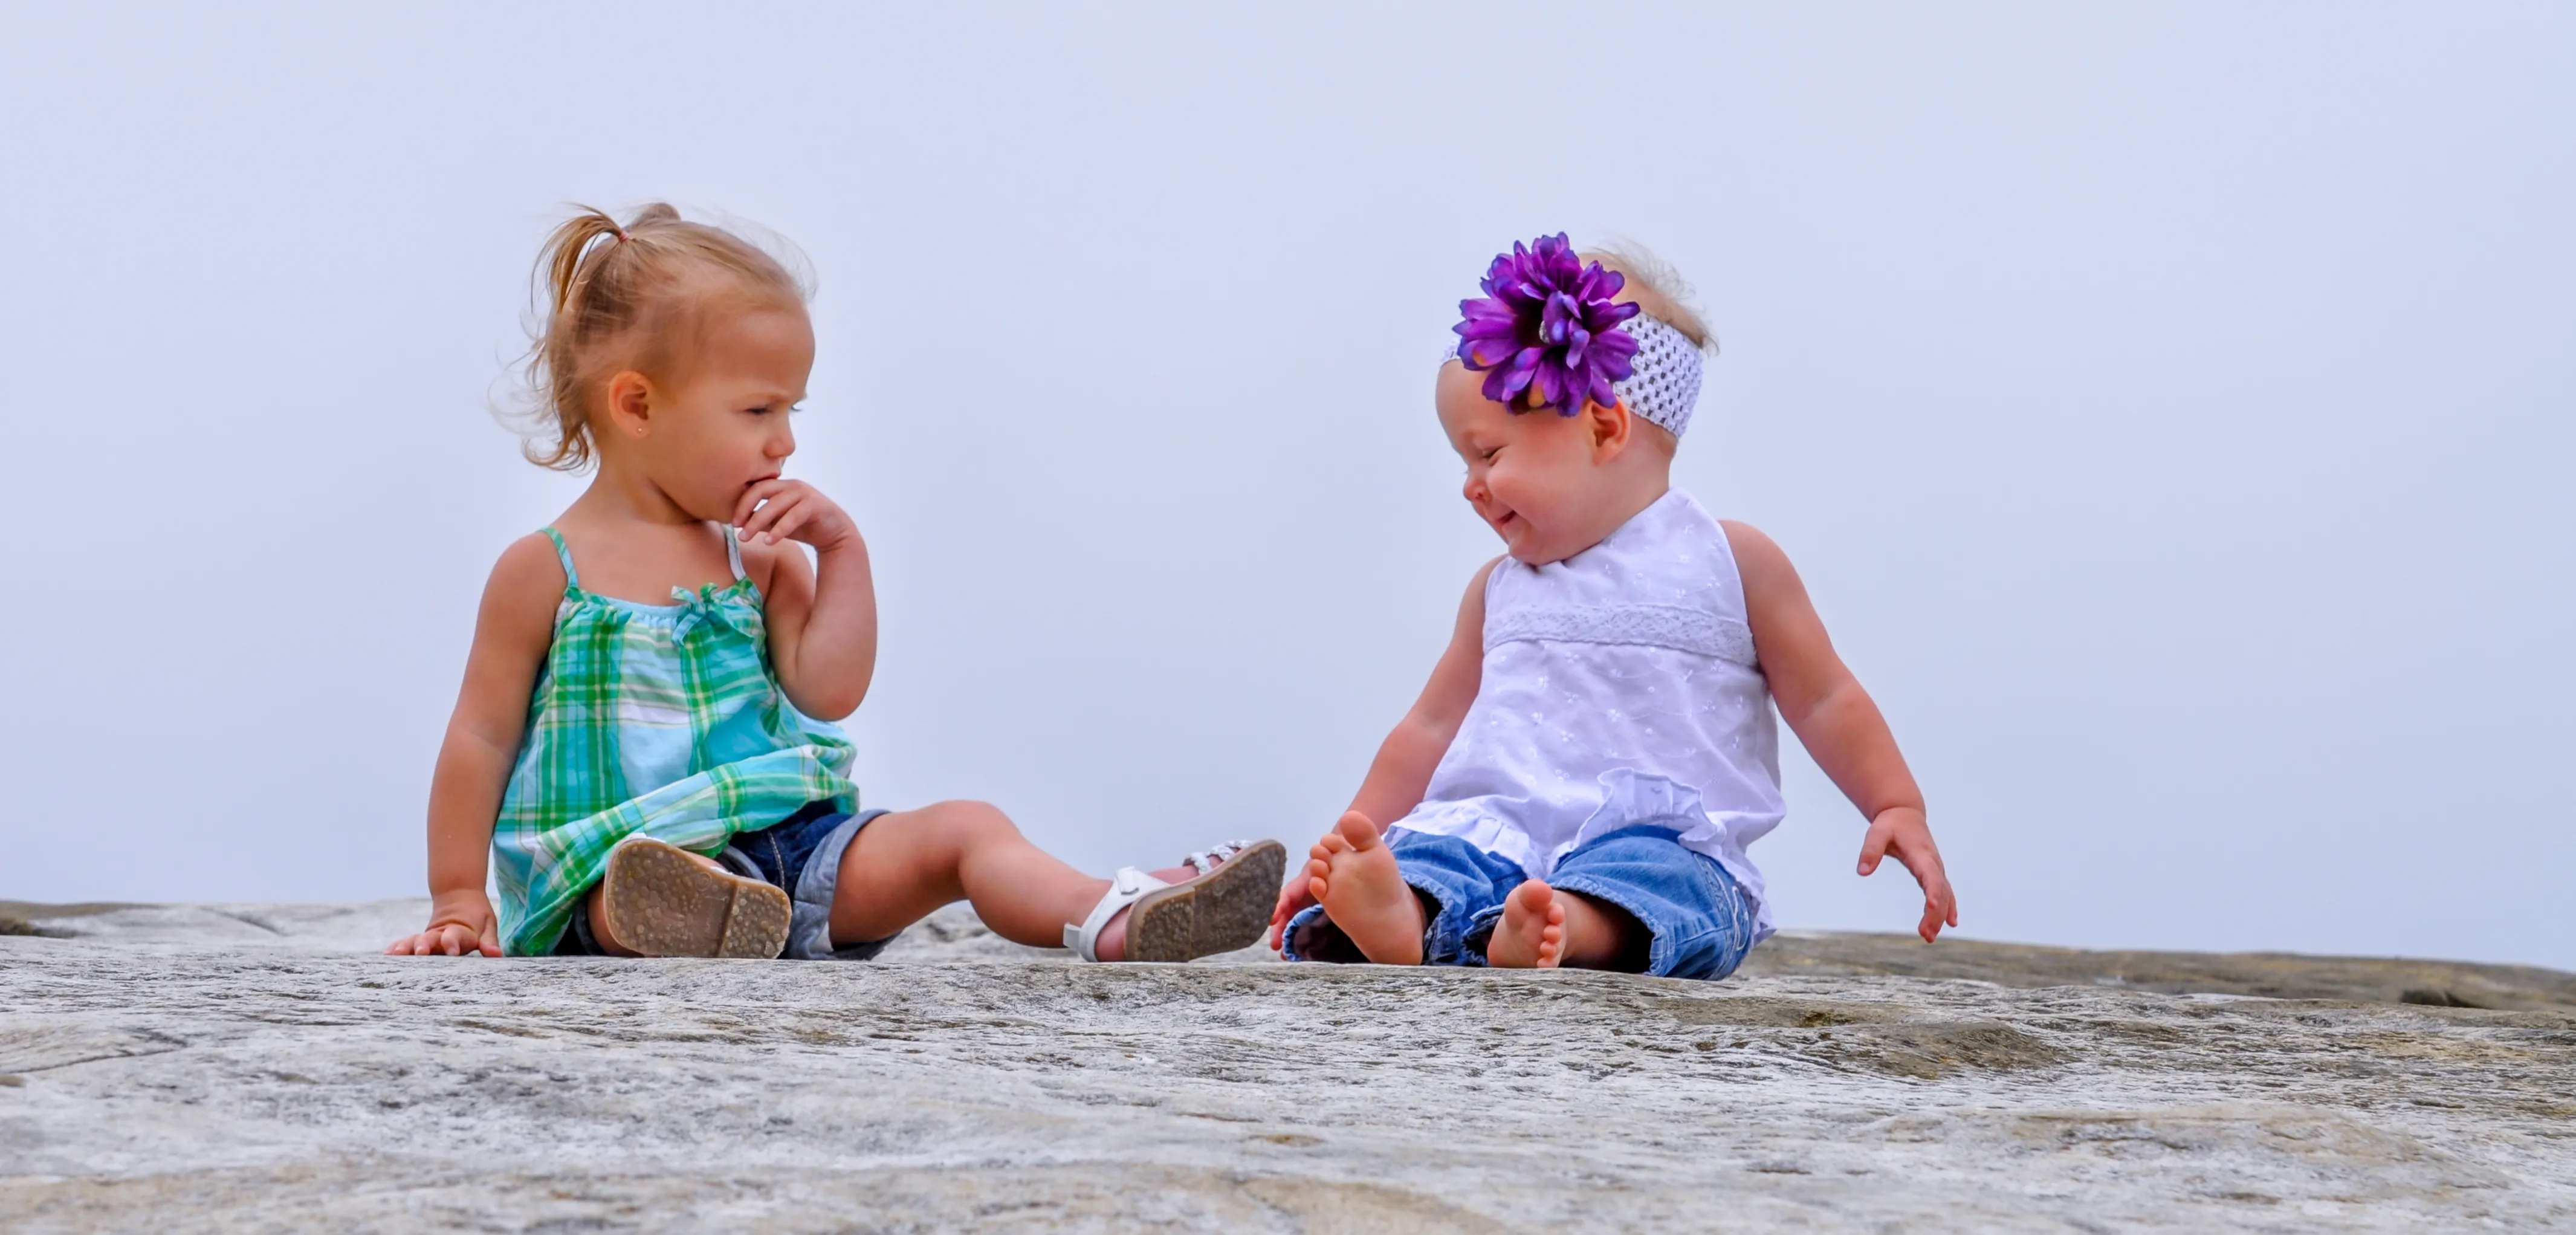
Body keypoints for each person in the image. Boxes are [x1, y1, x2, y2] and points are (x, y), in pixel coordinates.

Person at [387, 204, 1280, 962]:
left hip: (796, 848)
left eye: (791, 410)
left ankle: (1112, 913)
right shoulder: (546, 569)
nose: (784, 442)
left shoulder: (760, 557)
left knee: (966, 824)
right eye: (756, 410)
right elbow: (479, 735)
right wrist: (460, 897)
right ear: (638, 405)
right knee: (639, 887)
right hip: (622, 865)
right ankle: (693, 917)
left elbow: (828, 687)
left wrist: (842, 551)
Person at [1270, 235, 1955, 979]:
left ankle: (1564, 929)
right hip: (1494, 833)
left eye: (1489, 454)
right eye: (1463, 463)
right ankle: (1403, 912)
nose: (1470, 485)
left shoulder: (1729, 561)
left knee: (1669, 886)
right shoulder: (1497, 591)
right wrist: (1358, 836)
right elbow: (1427, 728)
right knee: (1437, 855)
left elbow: (1823, 697)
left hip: (1656, 838)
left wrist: (1893, 803)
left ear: (1604, 427)